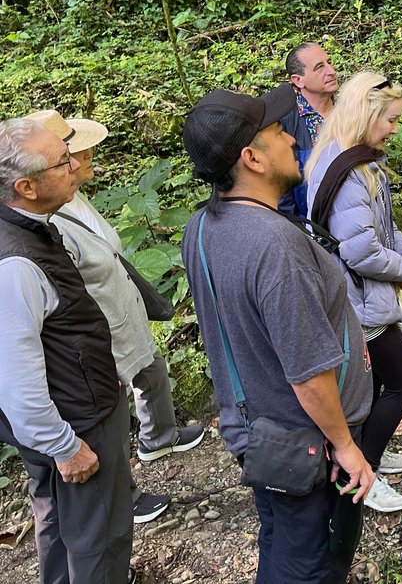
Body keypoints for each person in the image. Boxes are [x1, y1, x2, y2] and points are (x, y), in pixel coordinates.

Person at [180, 85, 374, 583]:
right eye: (276, 131)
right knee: (309, 562)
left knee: (279, 538)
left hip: (259, 431)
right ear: (252, 158)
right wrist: (345, 446)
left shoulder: (202, 226)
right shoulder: (275, 247)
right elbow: (309, 372)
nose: (290, 137)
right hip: (306, 443)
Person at [26, 109, 205, 524]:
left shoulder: (72, 196)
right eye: (77, 152)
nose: (86, 159)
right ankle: (124, 494)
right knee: (105, 414)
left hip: (119, 314)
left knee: (150, 371)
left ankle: (159, 436)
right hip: (96, 332)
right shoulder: (45, 223)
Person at [0, 118, 133, 583]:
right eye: (62, 161)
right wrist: (64, 446)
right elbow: (15, 380)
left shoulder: (27, 227)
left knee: (58, 524)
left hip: (64, 417)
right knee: (99, 536)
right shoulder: (16, 263)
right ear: (26, 186)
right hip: (75, 424)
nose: (76, 165)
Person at [305, 72, 402, 514]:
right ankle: (365, 471)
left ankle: (372, 444)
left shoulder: (355, 158)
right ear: (367, 114)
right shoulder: (350, 170)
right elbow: (360, 249)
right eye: (391, 120)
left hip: (365, 291)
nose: (395, 129)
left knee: (370, 384)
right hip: (359, 298)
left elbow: (384, 226)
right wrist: (400, 270)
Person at [279, 42, 340, 216]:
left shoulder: (349, 112)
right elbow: (281, 186)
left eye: (329, 62)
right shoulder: (285, 124)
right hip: (311, 222)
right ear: (298, 80)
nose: (331, 71)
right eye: (320, 67)